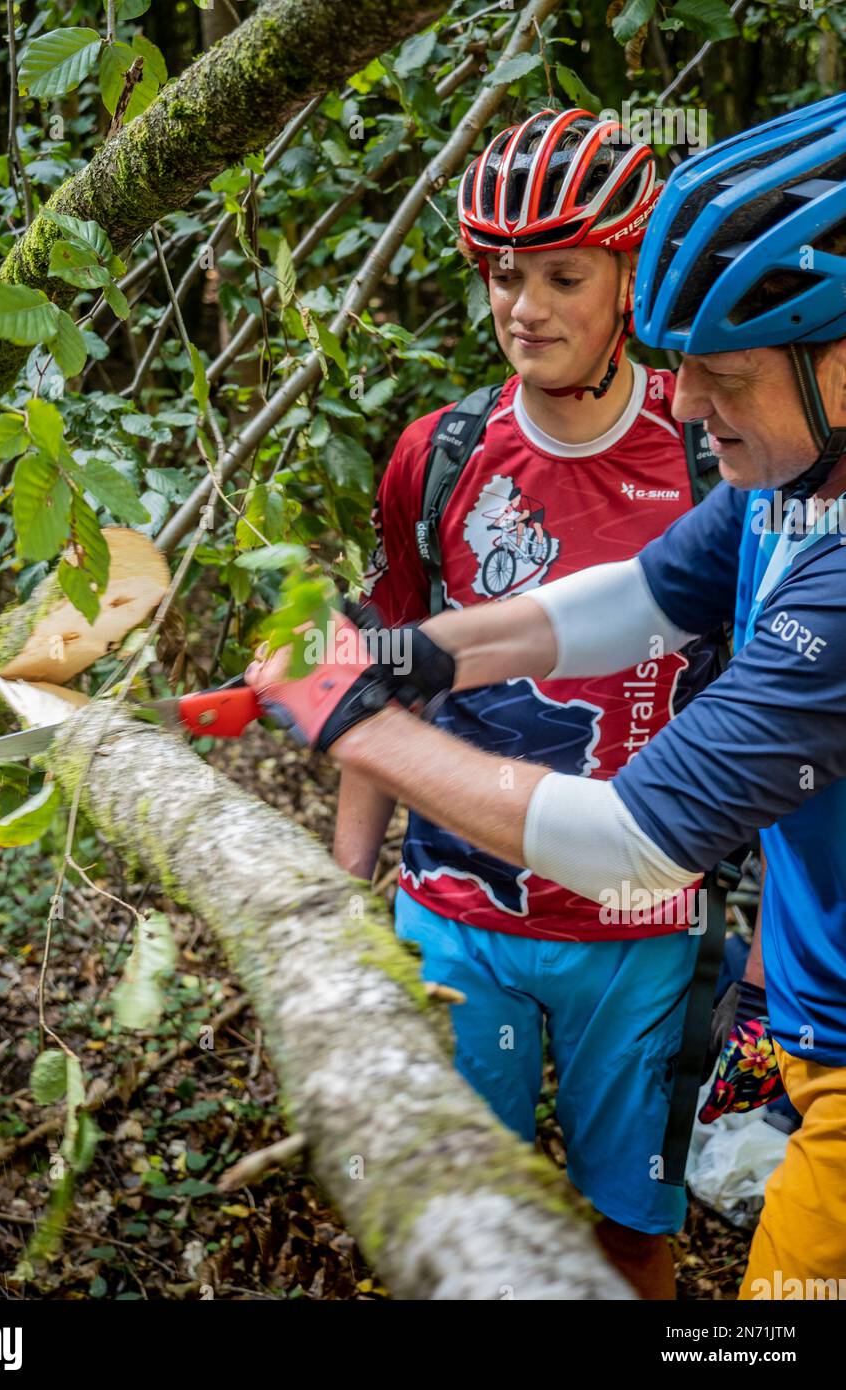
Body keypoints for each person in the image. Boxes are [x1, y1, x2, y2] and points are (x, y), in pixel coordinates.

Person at [247, 91, 846, 1299]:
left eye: (721, 376)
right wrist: (409, 659)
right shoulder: (797, 476)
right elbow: (634, 600)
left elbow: (631, 845)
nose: (685, 405)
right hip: (803, 1015)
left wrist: (358, 723)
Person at [334, 108, 732, 1301]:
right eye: (506, 276)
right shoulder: (441, 454)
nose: (527, 306)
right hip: (459, 916)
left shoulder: (710, 447)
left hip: (647, 930)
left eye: (564, 275)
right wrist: (345, 888)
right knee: (463, 1226)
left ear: (631, 279)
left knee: (630, 1234)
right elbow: (377, 666)